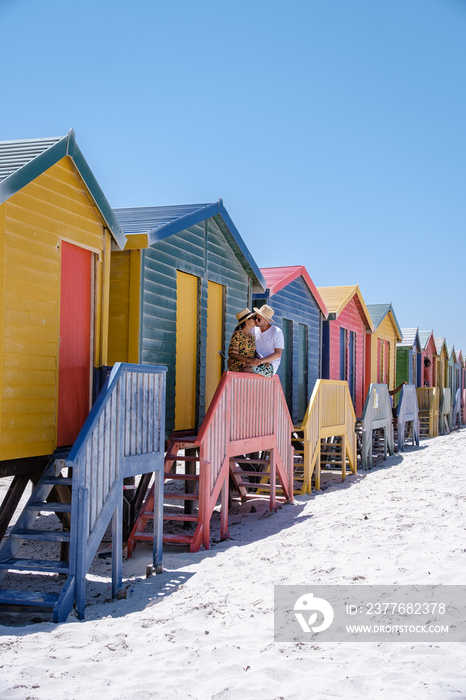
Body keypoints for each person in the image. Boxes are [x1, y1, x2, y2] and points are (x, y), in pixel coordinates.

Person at [227, 308, 274, 377]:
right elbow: (232, 354)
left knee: (268, 370)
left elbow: (253, 354)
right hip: (239, 365)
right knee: (250, 370)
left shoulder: (252, 336)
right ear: (247, 321)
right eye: (253, 318)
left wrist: (263, 361)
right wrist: (250, 360)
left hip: (249, 365)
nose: (255, 320)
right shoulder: (238, 334)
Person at [250, 304, 285, 376]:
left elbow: (278, 354)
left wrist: (261, 361)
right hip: (257, 362)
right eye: (255, 318)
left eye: (259, 319)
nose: (256, 320)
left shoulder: (276, 332)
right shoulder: (253, 330)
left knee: (246, 370)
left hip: (270, 366)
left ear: (266, 321)